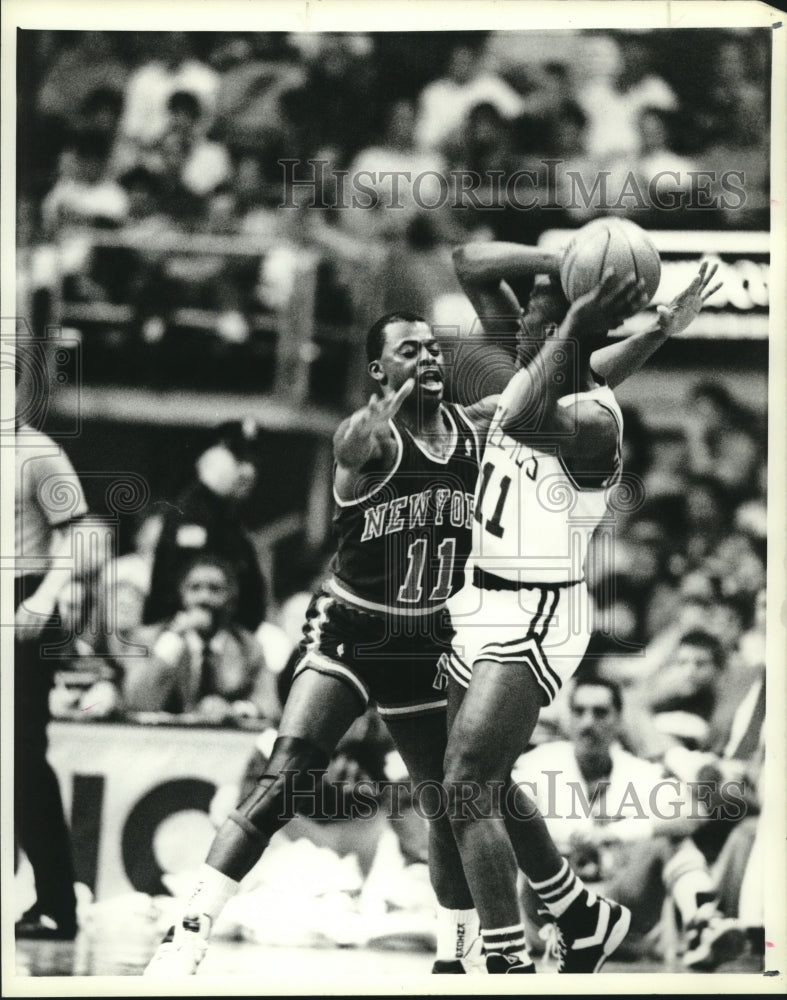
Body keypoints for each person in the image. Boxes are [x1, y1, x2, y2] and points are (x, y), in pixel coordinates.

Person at [143, 257, 719, 976]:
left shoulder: (481, 423)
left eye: (429, 346)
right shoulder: (374, 437)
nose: (425, 357)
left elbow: (577, 376)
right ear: (379, 373)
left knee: (453, 797)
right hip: (353, 630)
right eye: (405, 351)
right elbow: (351, 444)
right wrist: (568, 283)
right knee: (289, 770)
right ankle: (188, 929)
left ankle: (463, 950)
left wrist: (651, 326)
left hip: (433, 636)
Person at [442, 250, 721, 972]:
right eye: (535, 307)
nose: (520, 314)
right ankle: (579, 913)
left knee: (466, 782)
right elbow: (469, 261)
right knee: (487, 780)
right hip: (476, 597)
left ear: (570, 327)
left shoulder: (593, 414)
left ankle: (503, 960)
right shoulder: (538, 365)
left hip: (539, 609)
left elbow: (530, 415)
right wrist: (565, 265)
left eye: (538, 308)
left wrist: (579, 320)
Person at [513, 673, 746, 970]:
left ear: (619, 720)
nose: (588, 723)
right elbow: (499, 819)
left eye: (600, 712)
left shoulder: (637, 770)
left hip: (618, 914)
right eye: (579, 711)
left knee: (670, 840)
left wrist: (615, 834)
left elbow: (694, 814)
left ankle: (703, 926)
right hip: (550, 915)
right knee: (518, 835)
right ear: (567, 718)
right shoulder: (540, 762)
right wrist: (555, 846)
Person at [14, 420, 88, 939]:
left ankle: (56, 903)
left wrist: (44, 597)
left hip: (23, 596)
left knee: (21, 760)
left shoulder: (37, 451)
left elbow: (78, 529)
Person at [143, 419, 267, 633]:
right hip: (184, 636)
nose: (248, 472)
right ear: (211, 457)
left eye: (252, 461)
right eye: (239, 460)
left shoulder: (230, 520)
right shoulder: (188, 515)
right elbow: (175, 593)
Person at [125, 554, 278, 723]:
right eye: (195, 588)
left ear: (230, 596)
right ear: (182, 593)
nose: (204, 598)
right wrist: (174, 638)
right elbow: (135, 701)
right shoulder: (149, 639)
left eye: (215, 589)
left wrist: (233, 710)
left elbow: (269, 705)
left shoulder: (248, 646)